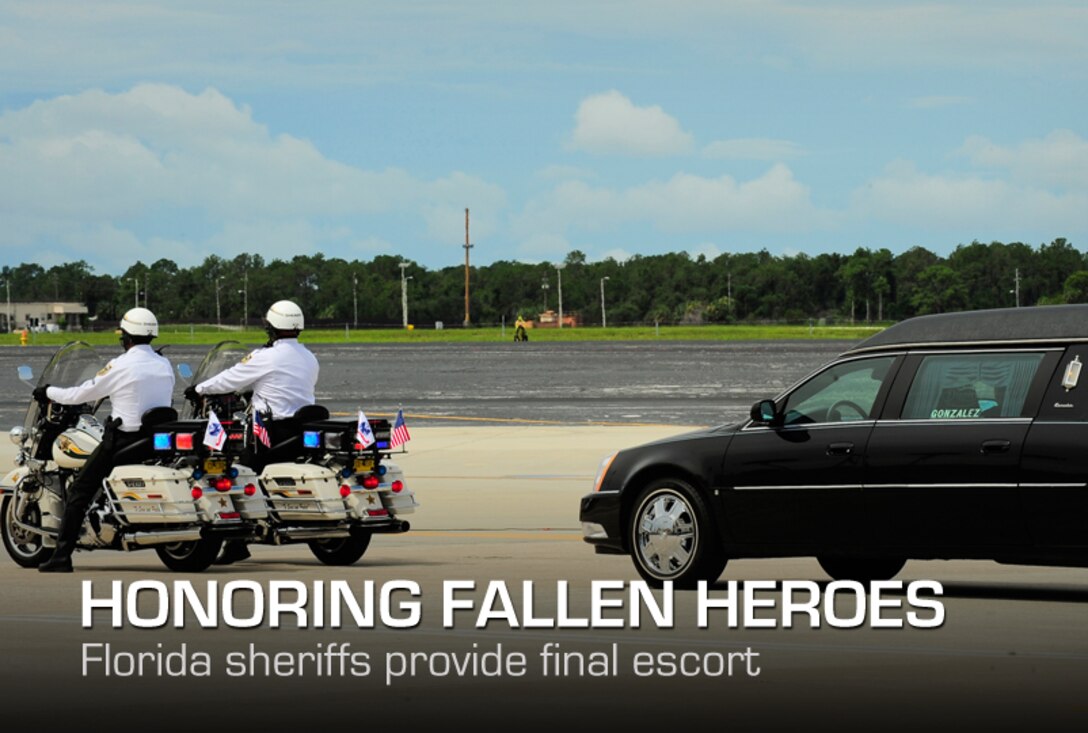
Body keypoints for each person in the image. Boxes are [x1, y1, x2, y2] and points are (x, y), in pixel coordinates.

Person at [36, 307, 175, 573]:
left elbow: (82, 393)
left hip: (123, 440)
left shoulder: (122, 364)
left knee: (79, 491)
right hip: (154, 439)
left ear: (126, 337)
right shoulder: (163, 363)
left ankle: (61, 556)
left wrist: (49, 392)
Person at [184, 299, 319, 565]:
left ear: (272, 328)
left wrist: (199, 389)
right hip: (301, 431)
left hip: (272, 432)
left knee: (237, 476)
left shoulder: (266, 356)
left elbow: (232, 377)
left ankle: (237, 544)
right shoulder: (309, 356)